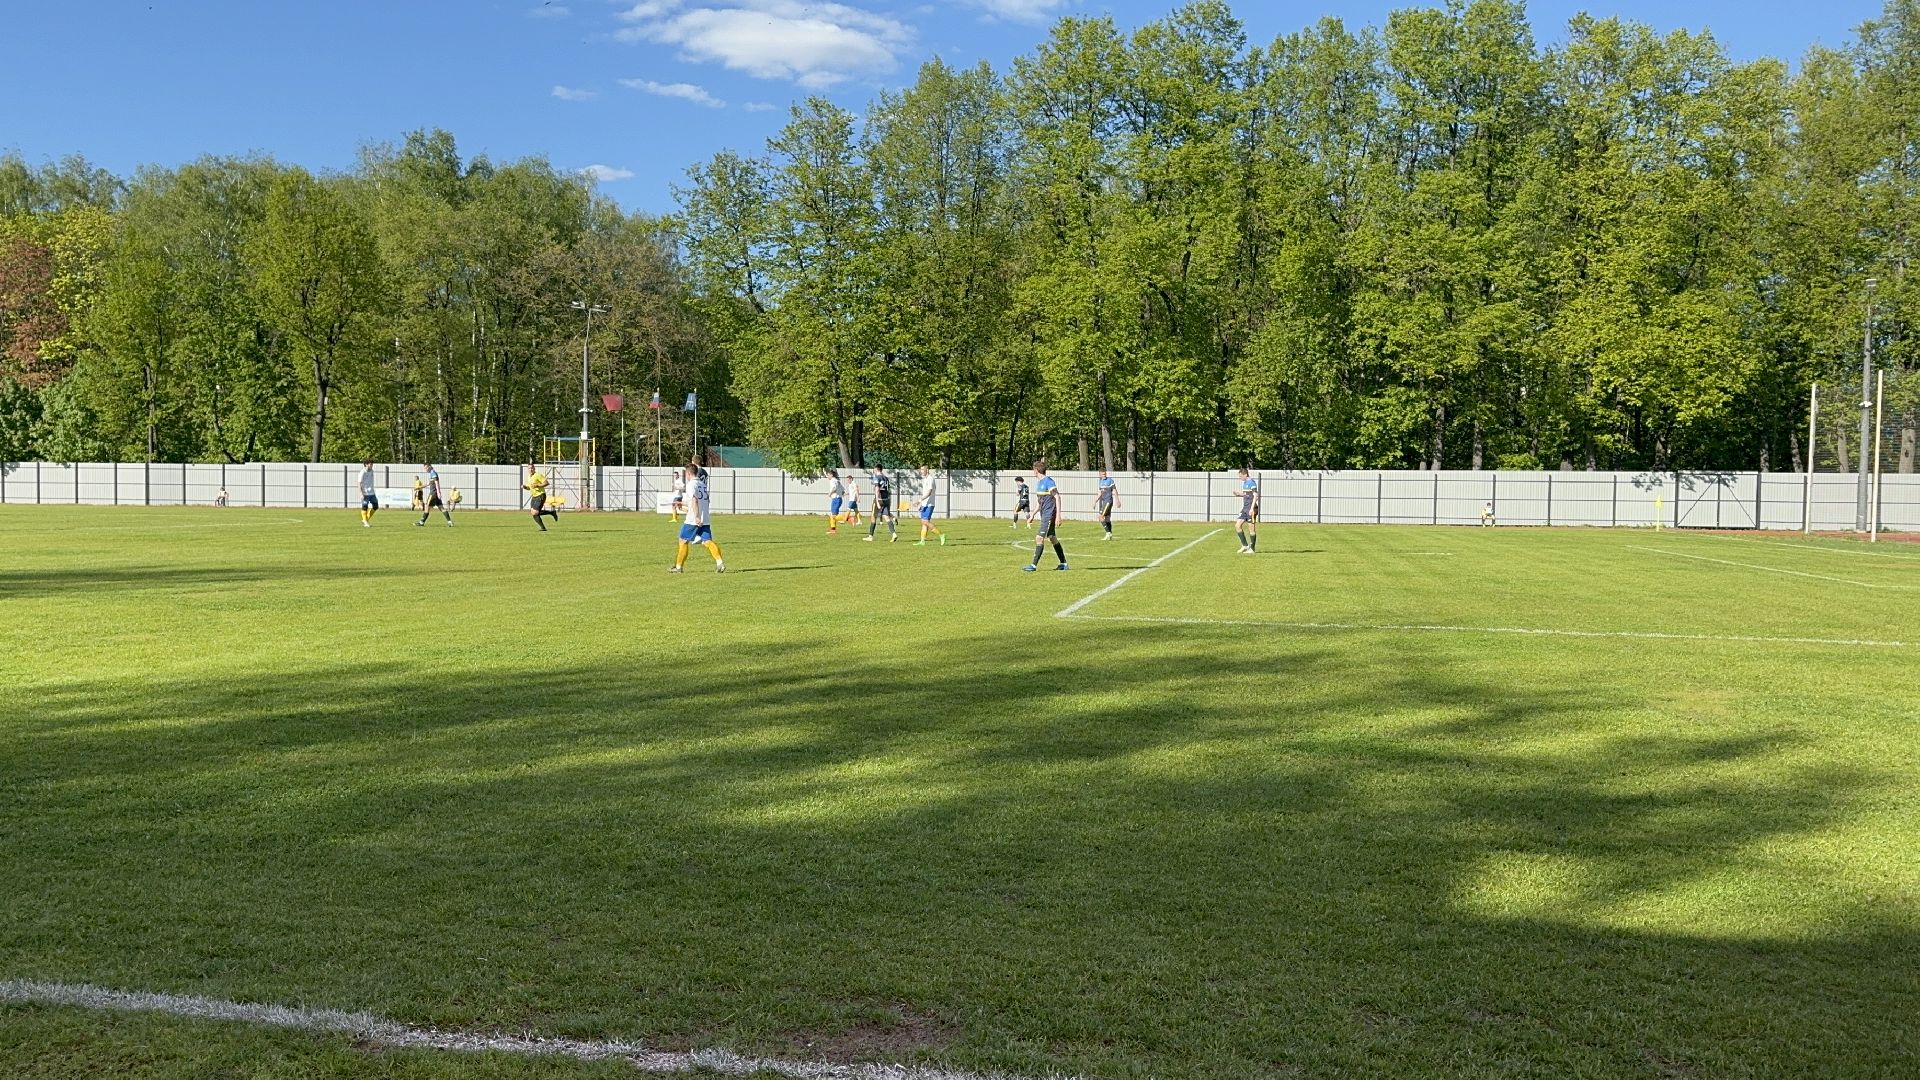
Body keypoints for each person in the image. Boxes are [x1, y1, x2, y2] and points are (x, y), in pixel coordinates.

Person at [670, 462, 725, 573]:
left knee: (683, 540)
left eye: (686, 473)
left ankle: (678, 567)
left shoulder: (691, 484)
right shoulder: (702, 485)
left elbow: (695, 500)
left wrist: (696, 516)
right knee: (707, 541)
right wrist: (684, 504)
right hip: (705, 518)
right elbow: (703, 501)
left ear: (689, 473)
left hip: (693, 520)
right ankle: (720, 563)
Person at [1023, 462, 1068, 572]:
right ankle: (1064, 564)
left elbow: (1057, 497)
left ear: (1036, 470)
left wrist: (1058, 515)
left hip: (1049, 514)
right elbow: (1040, 502)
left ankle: (1033, 566)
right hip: (1044, 514)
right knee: (1052, 537)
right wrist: (1032, 515)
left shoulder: (1048, 481)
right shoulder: (1039, 483)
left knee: (1039, 538)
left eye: (1033, 469)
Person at [914, 465, 944, 546]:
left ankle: (941, 535)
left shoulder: (930, 479)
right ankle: (922, 541)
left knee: (925, 522)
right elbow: (925, 493)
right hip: (924, 504)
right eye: (920, 470)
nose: (921, 471)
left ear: (927, 470)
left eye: (922, 470)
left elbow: (929, 492)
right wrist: (921, 503)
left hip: (929, 504)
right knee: (923, 523)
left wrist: (920, 500)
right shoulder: (925, 479)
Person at [865, 467, 896, 542]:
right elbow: (888, 489)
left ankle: (870, 536)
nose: (874, 473)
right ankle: (894, 534)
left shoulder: (877, 478)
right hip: (886, 499)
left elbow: (877, 489)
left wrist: (877, 501)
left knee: (873, 516)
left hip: (879, 499)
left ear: (876, 470)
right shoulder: (886, 478)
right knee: (886, 516)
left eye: (874, 471)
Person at [524, 464, 558, 532]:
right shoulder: (529, 477)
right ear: (528, 469)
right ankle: (550, 515)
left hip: (540, 495)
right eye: (529, 468)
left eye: (532, 468)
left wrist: (538, 485)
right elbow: (530, 487)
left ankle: (544, 527)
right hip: (534, 496)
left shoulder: (538, 475)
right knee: (533, 513)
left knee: (535, 512)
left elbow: (546, 483)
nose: (531, 469)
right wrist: (525, 487)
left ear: (534, 468)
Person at [1235, 467, 1260, 554]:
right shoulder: (1245, 483)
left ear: (1245, 474)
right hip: (1245, 508)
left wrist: (1252, 508)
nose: (1240, 478)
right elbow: (1246, 494)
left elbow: (1255, 495)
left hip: (1251, 509)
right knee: (1237, 526)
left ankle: (1252, 549)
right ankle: (1245, 545)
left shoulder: (1251, 482)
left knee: (1251, 529)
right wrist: (1239, 494)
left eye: (1241, 476)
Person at [1094, 470, 1120, 540]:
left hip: (1108, 501)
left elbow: (1114, 490)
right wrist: (1095, 501)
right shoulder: (1100, 482)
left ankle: (1108, 533)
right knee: (1107, 518)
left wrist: (1117, 500)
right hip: (1105, 501)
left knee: (1100, 517)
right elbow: (1100, 493)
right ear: (1099, 475)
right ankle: (1110, 534)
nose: (1104, 475)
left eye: (1105, 474)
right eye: (1102, 474)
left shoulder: (1110, 480)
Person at [358, 461, 379, 528]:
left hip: (372, 492)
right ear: (366, 464)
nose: (372, 465)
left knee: (375, 506)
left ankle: (365, 519)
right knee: (365, 506)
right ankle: (365, 521)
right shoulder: (362, 472)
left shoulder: (372, 471)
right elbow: (359, 483)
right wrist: (361, 493)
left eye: (372, 464)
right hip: (365, 493)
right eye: (370, 464)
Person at [826, 469, 844, 534]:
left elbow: (834, 488)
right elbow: (842, 490)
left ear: (831, 475)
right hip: (839, 499)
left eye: (828, 475)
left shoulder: (832, 480)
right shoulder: (837, 481)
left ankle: (848, 518)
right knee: (833, 515)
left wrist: (830, 493)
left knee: (834, 515)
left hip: (836, 499)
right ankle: (833, 530)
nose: (827, 477)